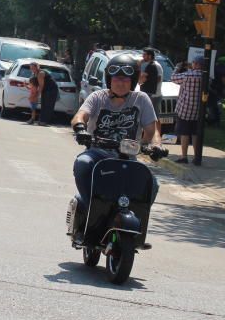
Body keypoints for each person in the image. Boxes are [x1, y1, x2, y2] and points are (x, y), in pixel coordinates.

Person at [69, 52, 161, 245]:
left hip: (128, 157)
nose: (120, 83)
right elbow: (80, 115)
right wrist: (80, 128)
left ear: (133, 81)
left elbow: (152, 128)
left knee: (152, 184)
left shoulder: (141, 99)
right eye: (116, 79)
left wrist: (155, 146)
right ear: (109, 80)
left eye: (125, 79)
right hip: (98, 154)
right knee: (82, 164)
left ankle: (136, 225)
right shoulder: (97, 97)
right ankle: (86, 211)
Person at [171, 58, 203, 163]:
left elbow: (173, 78)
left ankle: (184, 156)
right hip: (198, 110)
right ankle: (196, 157)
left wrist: (178, 67)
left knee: (184, 133)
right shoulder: (205, 76)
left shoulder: (188, 75)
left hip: (185, 108)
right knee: (195, 133)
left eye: (193, 63)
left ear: (196, 64)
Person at [138, 48, 163, 135]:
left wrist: (144, 80)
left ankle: (156, 135)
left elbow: (158, 78)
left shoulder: (155, 65)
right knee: (149, 116)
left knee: (154, 117)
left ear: (150, 56)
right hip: (150, 94)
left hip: (154, 95)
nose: (142, 56)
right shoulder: (148, 65)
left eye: (144, 55)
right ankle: (149, 135)